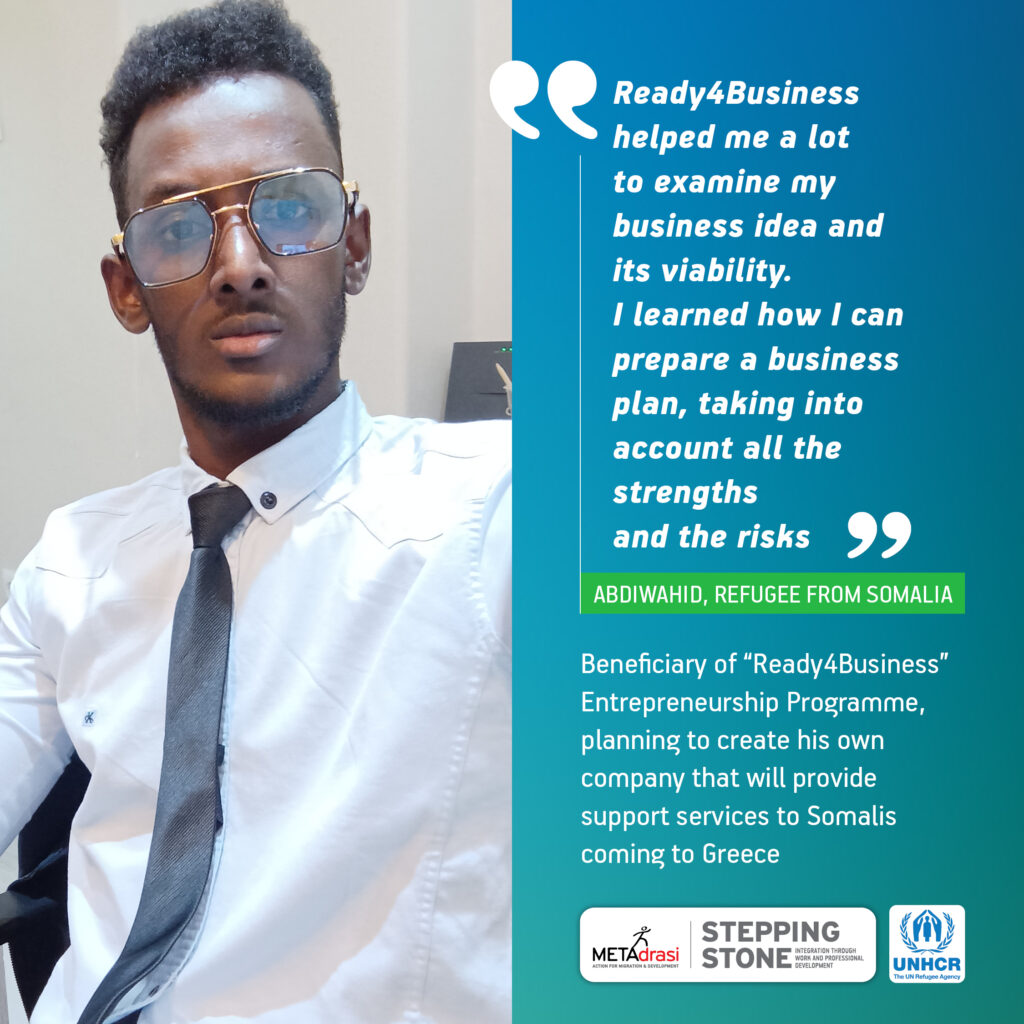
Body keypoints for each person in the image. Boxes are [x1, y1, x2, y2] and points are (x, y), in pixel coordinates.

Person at [0, 2, 510, 1022]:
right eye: (178, 227)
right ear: (127, 288)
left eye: (290, 207)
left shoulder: (495, 506)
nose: (239, 262)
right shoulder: (72, 559)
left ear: (354, 245)